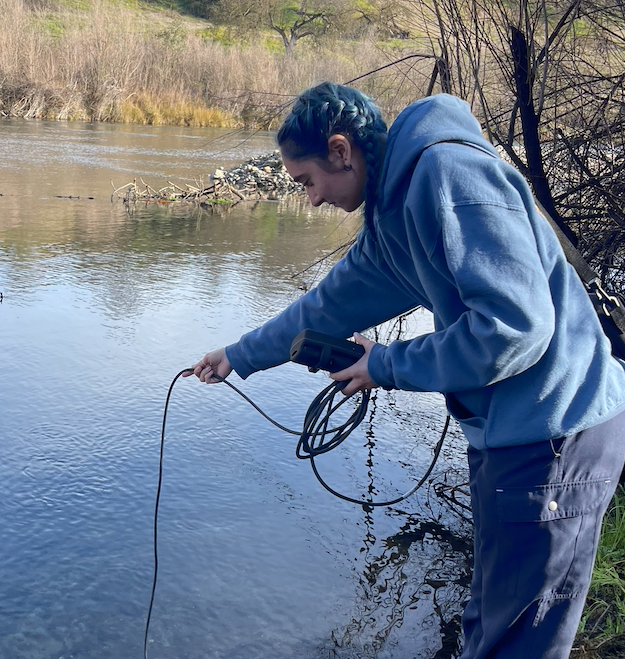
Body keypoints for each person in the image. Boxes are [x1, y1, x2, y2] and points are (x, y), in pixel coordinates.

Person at [189, 82, 625, 658]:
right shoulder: (392, 217)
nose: (311, 200)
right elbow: (325, 307)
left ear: (341, 151)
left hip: (556, 433)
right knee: (488, 624)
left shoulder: (449, 175)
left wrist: (386, 364)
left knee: (520, 641)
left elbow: (514, 328)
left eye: (307, 181)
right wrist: (238, 356)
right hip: (509, 435)